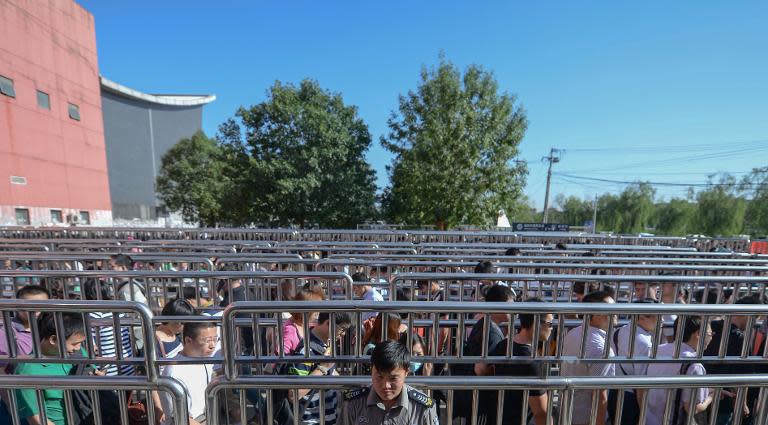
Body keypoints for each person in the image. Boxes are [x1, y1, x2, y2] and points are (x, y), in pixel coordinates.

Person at [453, 284, 514, 424]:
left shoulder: (483, 323)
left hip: (474, 395)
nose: (514, 311)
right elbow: (481, 369)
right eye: (510, 305)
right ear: (499, 305)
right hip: (482, 398)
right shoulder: (492, 333)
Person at [337, 341, 438, 425]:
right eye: (380, 377)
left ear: (406, 372)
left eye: (393, 378)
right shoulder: (353, 404)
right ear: (371, 370)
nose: (386, 385)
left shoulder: (423, 408)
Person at [13, 312, 87, 425]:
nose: (78, 348)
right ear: (53, 340)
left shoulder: (77, 353)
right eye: (74, 344)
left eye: (81, 343)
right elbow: (36, 419)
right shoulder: (27, 370)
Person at [280, 311, 353, 425]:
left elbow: (330, 372)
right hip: (311, 420)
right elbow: (294, 394)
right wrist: (323, 368)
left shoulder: (323, 344)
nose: (343, 334)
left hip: (324, 417)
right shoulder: (306, 351)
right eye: (342, 329)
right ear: (329, 323)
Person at [491, 298, 553, 425]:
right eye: (550, 324)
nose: (552, 328)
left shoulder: (504, 344)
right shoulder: (532, 362)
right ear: (537, 323)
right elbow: (542, 413)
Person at [560, 290, 616, 425]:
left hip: (568, 412)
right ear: (597, 313)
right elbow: (599, 395)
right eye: (612, 308)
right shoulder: (601, 348)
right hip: (587, 417)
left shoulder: (572, 334)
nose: (616, 312)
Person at [645, 316, 714, 425]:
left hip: (648, 419)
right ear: (698, 334)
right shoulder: (694, 365)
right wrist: (712, 395)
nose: (711, 339)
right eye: (710, 334)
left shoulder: (658, 350)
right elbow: (692, 408)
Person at [703, 294, 760, 425]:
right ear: (745, 314)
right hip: (724, 400)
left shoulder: (712, 326)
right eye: (755, 317)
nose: (755, 322)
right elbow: (743, 375)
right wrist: (742, 403)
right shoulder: (741, 339)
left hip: (700, 393)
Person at [608, 298, 659, 425]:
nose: (660, 320)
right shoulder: (644, 343)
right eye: (657, 317)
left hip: (615, 393)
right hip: (631, 399)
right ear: (641, 318)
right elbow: (641, 384)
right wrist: (644, 416)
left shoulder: (620, 330)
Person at [160, 321, 218, 425]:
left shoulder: (207, 361)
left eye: (215, 339)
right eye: (207, 341)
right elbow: (180, 417)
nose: (212, 345)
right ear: (188, 340)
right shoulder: (174, 371)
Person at [82, 279, 134, 376]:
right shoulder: (120, 311)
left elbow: (91, 348)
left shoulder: (91, 316)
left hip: (107, 372)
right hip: (128, 366)